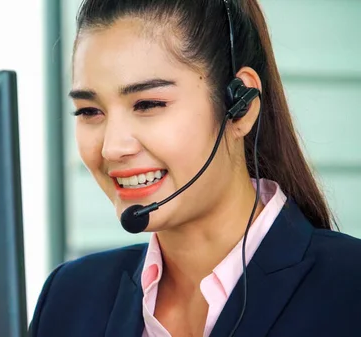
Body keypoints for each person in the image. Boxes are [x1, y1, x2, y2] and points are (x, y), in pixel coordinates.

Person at [29, 0, 361, 336]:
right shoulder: (68, 298)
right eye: (89, 111)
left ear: (240, 105)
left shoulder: (350, 289)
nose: (112, 147)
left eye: (148, 104)